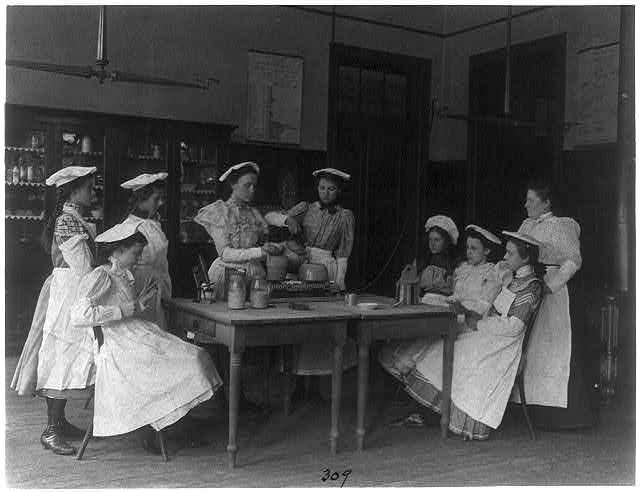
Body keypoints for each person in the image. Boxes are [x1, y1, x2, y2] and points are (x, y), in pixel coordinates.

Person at [69, 220, 222, 451]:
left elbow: (125, 306)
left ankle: (171, 422)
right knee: (187, 361)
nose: (139, 258)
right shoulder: (101, 276)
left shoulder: (123, 274)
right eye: (135, 253)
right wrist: (122, 311)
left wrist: (137, 306)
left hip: (134, 333)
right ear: (117, 251)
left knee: (195, 355)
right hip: (117, 345)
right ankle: (157, 425)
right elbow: (79, 315)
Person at [379, 232, 544, 440]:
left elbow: (513, 328)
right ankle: (430, 414)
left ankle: (441, 415)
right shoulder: (513, 281)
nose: (505, 258)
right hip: (491, 334)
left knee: (452, 351)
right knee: (441, 345)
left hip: (505, 345)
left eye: (510, 254)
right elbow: (495, 312)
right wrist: (475, 318)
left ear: (526, 258)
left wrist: (480, 323)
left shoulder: (532, 286)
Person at [265, 168, 357, 404]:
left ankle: (316, 384)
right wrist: (288, 220)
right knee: (299, 322)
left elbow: (344, 252)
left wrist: (340, 281)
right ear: (317, 188)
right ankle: (295, 384)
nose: (326, 193)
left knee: (320, 325)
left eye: (332, 189)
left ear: (339, 191)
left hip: (326, 266)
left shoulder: (345, 216)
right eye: (322, 188)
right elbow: (269, 217)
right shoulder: (306, 207)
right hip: (301, 263)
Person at [516, 181, 598, 429]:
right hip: (530, 287)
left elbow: (573, 260)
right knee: (531, 349)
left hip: (553, 291)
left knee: (554, 350)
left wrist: (551, 286)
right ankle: (529, 410)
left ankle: (560, 417)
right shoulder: (526, 225)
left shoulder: (561, 226)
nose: (526, 204)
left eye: (531, 200)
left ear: (547, 203)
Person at [34, 166, 98, 455]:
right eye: (89, 187)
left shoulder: (76, 219)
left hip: (74, 292)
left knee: (71, 357)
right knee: (61, 355)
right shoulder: (67, 222)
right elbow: (83, 265)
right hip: (68, 295)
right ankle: (50, 429)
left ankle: (59, 421)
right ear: (73, 191)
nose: (93, 192)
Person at [194, 161, 283, 298]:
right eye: (247, 186)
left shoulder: (254, 213)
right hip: (228, 273)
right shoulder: (220, 212)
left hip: (254, 274)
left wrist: (269, 248)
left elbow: (256, 244)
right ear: (233, 185)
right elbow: (225, 253)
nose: (252, 190)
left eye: (254, 186)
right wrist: (259, 251)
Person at [120, 172, 171, 330]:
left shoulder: (153, 223)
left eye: (162, 198)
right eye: (156, 199)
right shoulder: (130, 226)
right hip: (140, 285)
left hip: (159, 283)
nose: (160, 203)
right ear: (142, 200)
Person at [445, 225, 504, 331]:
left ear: (486, 250)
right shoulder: (463, 269)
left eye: (474, 248)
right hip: (455, 317)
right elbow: (455, 295)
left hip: (473, 322)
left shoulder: (491, 274)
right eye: (467, 247)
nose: (469, 252)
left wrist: (463, 310)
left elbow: (484, 308)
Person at [418, 215, 459, 296]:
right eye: (430, 239)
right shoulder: (423, 260)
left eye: (437, 240)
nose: (432, 244)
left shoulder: (454, 263)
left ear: (446, 242)